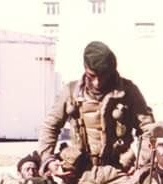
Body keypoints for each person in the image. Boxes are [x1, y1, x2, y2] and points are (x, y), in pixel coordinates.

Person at [38, 41, 155, 172]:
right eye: (91, 76)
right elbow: (50, 127)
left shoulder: (128, 91)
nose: (97, 82)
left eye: (103, 76)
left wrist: (141, 163)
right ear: (85, 68)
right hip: (81, 172)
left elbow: (148, 129)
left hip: (119, 171)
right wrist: (48, 160)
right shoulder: (70, 92)